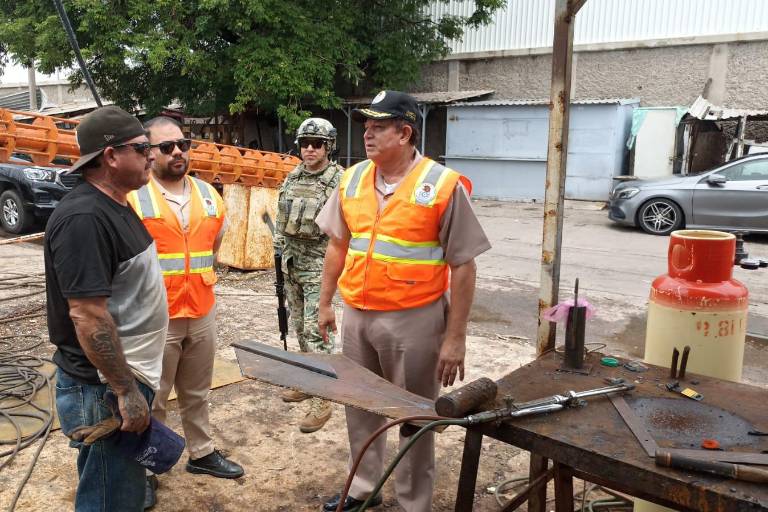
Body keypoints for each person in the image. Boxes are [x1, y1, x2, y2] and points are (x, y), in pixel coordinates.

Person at [316, 90, 491, 512]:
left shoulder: (442, 185)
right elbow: (338, 245)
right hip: (358, 316)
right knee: (360, 405)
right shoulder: (352, 179)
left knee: (414, 416)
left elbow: (463, 266)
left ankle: (414, 502)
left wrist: (455, 337)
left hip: (414, 321)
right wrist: (325, 303)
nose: (367, 134)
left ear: (405, 133)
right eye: (366, 126)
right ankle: (363, 488)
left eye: (378, 127)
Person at [45, 106, 169, 511]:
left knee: (121, 486)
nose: (152, 155)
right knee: (108, 495)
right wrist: (125, 390)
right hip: (103, 387)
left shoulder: (116, 203)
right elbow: (88, 315)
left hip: (123, 376)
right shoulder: (84, 218)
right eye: (142, 148)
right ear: (111, 156)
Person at [127, 117, 244, 506]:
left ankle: (202, 453)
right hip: (155, 317)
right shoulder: (135, 197)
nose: (177, 152)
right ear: (149, 152)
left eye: (183, 144)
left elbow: (214, 245)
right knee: (154, 396)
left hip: (201, 309)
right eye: (166, 147)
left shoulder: (209, 194)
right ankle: (146, 469)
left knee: (196, 391)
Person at [274, 117, 344, 433]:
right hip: (292, 264)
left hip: (319, 265)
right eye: (305, 144)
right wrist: (278, 254)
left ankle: (323, 399)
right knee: (300, 328)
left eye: (317, 144)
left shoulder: (339, 180)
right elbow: (282, 220)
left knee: (317, 332)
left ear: (328, 147)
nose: (310, 149)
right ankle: (307, 381)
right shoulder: (293, 177)